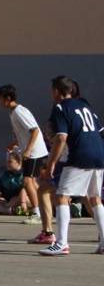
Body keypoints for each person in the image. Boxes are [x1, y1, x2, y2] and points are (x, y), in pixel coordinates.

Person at [39, 75, 104, 256]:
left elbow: (61, 137)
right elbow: (101, 131)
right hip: (99, 154)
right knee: (94, 197)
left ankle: (61, 243)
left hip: (80, 155)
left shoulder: (60, 108)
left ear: (57, 92)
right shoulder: (85, 105)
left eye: (52, 90)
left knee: (61, 196)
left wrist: (51, 163)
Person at [0, 84, 53, 243]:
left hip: (35, 152)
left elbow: (35, 130)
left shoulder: (19, 111)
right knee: (38, 183)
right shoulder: (13, 112)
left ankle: (36, 212)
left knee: (28, 181)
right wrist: (14, 143)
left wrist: (27, 150)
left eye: (0, 98)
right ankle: (42, 210)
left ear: (8, 98)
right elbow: (23, 132)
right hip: (32, 151)